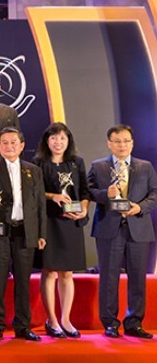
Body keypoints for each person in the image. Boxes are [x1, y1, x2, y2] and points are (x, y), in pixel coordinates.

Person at [87, 124, 157, 339]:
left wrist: (139, 208)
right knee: (109, 277)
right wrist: (104, 194)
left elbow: (154, 194)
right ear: (109, 143)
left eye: (126, 141)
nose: (122, 145)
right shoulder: (98, 166)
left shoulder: (145, 166)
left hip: (138, 228)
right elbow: (88, 192)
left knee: (137, 277)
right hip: (109, 229)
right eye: (117, 141)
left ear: (132, 143)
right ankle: (110, 323)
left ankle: (134, 322)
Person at [0, 127, 46, 342]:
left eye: (13, 142)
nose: (9, 146)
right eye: (5, 143)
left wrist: (41, 233)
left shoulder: (33, 170)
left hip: (26, 232)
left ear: (22, 145)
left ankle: (23, 326)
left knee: (23, 281)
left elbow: (40, 204)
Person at [32, 122, 90, 339]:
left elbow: (85, 190)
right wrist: (52, 196)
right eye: (54, 138)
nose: (58, 142)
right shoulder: (38, 163)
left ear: (68, 141)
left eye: (62, 138)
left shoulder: (77, 162)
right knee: (49, 271)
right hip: (49, 222)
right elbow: (33, 192)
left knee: (67, 273)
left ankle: (65, 319)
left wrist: (83, 209)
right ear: (47, 140)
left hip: (71, 223)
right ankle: (52, 320)